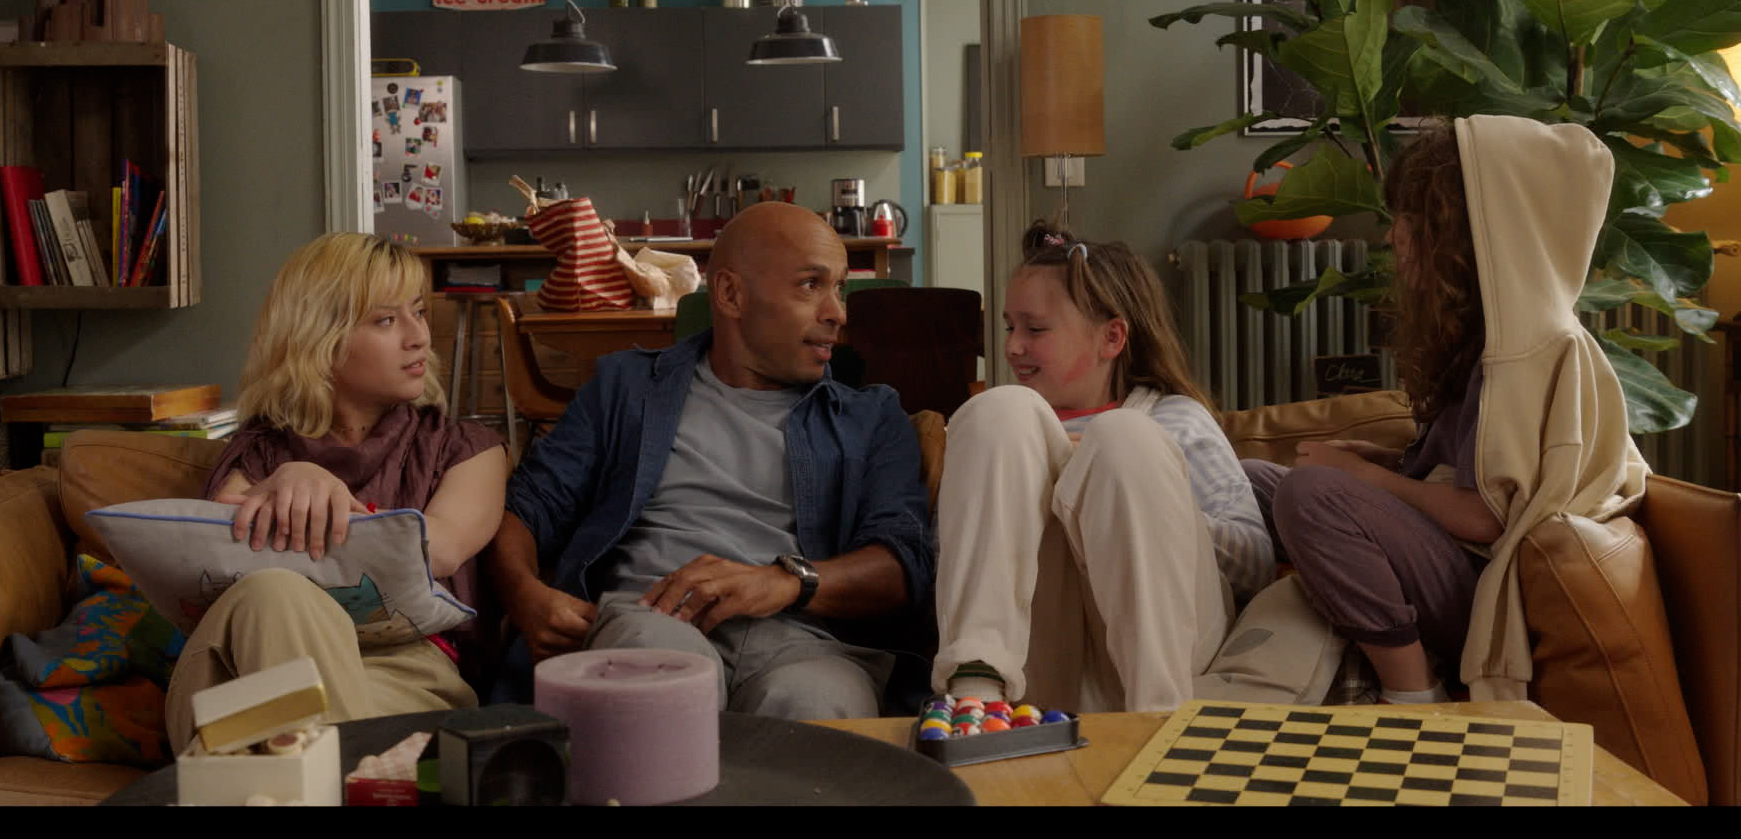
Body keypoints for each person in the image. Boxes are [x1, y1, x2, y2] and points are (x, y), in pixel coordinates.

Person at [1242, 115, 1647, 704]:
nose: (1392, 238)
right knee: (1249, 479)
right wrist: (1380, 460)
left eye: (1409, 218)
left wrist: (1366, 480)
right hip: (1449, 554)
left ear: (1464, 232)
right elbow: (1473, 467)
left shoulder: (1526, 352)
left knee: (1311, 495)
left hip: (1481, 584)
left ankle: (1413, 690)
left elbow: (1487, 516)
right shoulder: (1484, 338)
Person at [486, 201, 934, 720]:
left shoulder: (871, 417)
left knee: (820, 707)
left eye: (839, 288)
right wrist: (525, 596)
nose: (838, 312)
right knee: (660, 688)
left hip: (806, 643)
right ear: (730, 294)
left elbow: (903, 564)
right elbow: (526, 510)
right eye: (811, 285)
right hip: (652, 618)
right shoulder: (627, 388)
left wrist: (788, 581)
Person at [163, 232, 508, 752]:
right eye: (386, 320)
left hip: (398, 671)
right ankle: (320, 764)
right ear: (319, 339)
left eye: (418, 312)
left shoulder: (465, 449)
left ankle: (256, 763)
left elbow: (436, 550)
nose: (419, 336)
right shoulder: (257, 452)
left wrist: (321, 492)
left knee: (256, 730)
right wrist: (293, 474)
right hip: (233, 665)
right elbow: (220, 560)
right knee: (270, 592)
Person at [930, 223, 1274, 714]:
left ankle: (1155, 719)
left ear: (1111, 337)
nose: (1012, 347)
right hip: (1040, 665)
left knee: (1123, 439)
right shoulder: (1004, 432)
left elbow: (1255, 564)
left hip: (1161, 665)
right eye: (1010, 327)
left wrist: (1156, 505)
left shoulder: (1175, 418)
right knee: (997, 410)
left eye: (1035, 329)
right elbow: (952, 560)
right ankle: (977, 694)